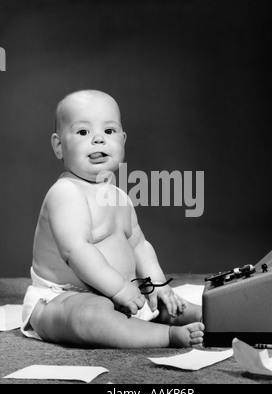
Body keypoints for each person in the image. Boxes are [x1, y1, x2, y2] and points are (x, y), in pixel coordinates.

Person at [21, 90, 204, 348]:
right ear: (59, 145)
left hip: (124, 295)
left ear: (123, 140)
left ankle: (202, 316)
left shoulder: (120, 196)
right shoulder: (65, 193)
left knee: (161, 300)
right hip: (63, 298)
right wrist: (118, 289)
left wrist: (159, 284)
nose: (98, 140)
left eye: (109, 131)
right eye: (83, 132)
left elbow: (139, 245)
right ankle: (165, 336)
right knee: (89, 316)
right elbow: (76, 250)